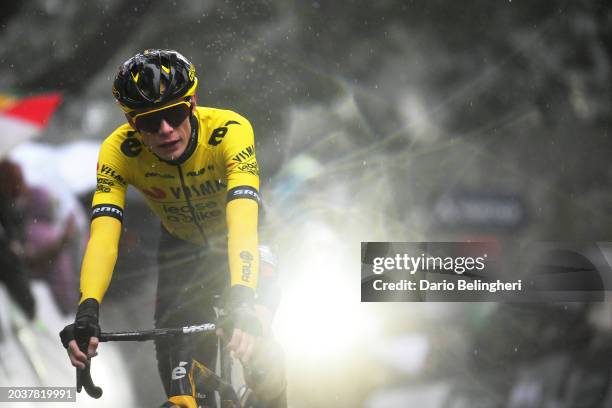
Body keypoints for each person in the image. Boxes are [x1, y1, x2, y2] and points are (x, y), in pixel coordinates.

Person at [59, 49, 286, 408]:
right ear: (132, 122)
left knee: (258, 351)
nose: (165, 129)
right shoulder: (118, 152)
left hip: (245, 241)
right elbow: (103, 238)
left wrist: (243, 296)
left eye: (175, 113)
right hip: (183, 252)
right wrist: (87, 309)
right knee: (180, 389)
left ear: (193, 103)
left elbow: (242, 221)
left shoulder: (230, 130)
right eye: (150, 121)